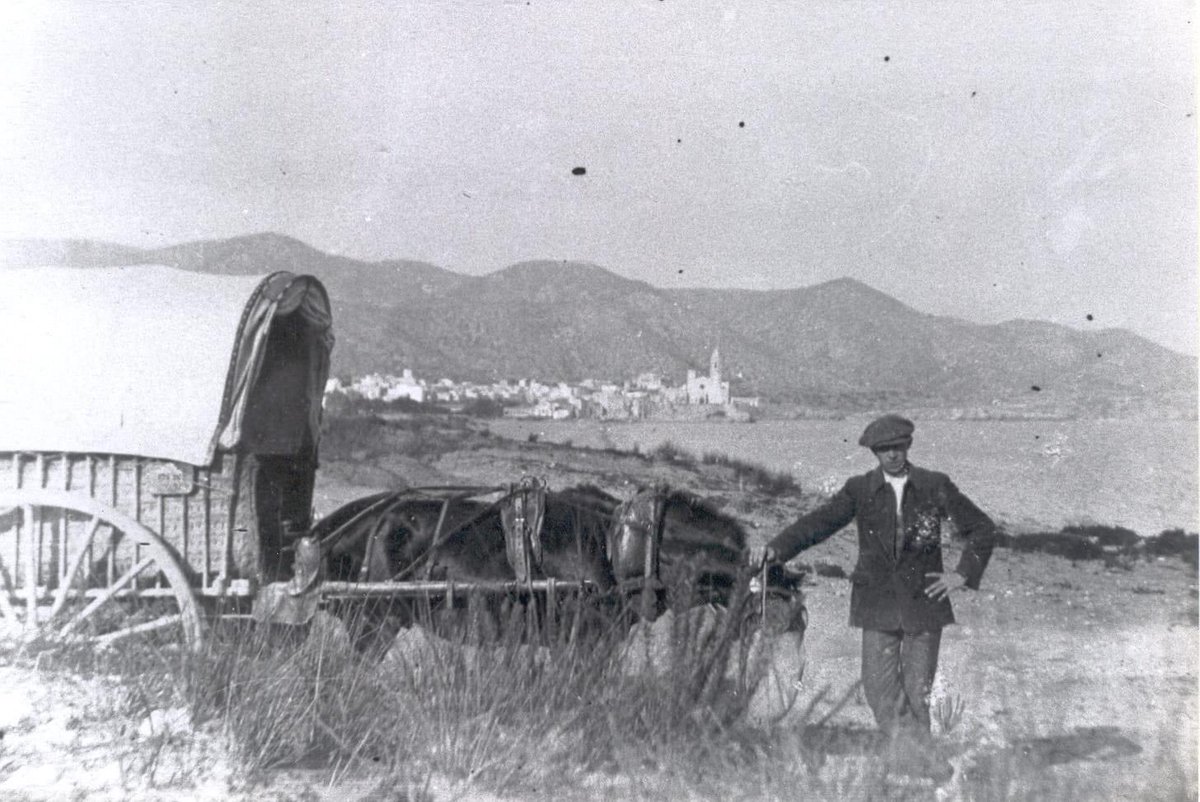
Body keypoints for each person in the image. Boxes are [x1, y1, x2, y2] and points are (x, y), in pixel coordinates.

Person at [755, 414, 994, 759]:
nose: (892, 455)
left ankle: (915, 766)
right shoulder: (860, 489)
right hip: (877, 604)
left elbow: (982, 529)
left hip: (924, 603)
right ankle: (923, 757)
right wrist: (777, 548)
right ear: (874, 452)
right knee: (878, 688)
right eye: (884, 450)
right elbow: (819, 523)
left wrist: (962, 574)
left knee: (917, 692)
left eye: (897, 447)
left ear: (908, 446)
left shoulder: (934, 485)